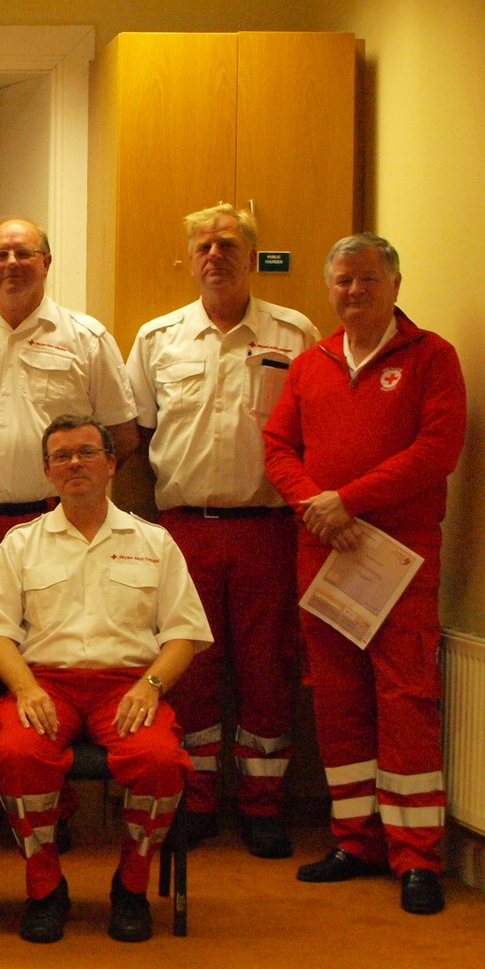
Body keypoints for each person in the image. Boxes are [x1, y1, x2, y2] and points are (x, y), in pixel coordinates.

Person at [264, 233, 466, 916]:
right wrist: (316, 508)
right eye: (344, 281)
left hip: (400, 555)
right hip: (325, 550)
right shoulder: (311, 363)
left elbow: (437, 450)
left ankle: (417, 856)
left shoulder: (432, 357)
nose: (355, 292)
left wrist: (349, 500)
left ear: (396, 284)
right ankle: (355, 840)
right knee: (337, 697)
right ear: (330, 290)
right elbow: (277, 446)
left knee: (406, 699)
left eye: (368, 280)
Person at [124, 204, 318, 858]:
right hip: (183, 530)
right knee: (193, 670)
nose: (215, 254)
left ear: (252, 254)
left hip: (267, 528)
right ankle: (198, 799)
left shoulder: (294, 335)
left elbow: (313, 434)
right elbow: (137, 440)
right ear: (188, 257)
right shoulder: (157, 340)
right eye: (203, 244)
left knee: (268, 668)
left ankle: (263, 805)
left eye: (228, 243)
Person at [0, 414, 211, 943]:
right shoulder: (20, 544)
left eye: (85, 453)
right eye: (61, 456)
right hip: (44, 684)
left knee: (160, 761)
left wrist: (150, 687)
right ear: (47, 473)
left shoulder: (155, 542)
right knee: (16, 754)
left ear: (111, 464)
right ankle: (44, 886)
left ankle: (131, 885)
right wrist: (26, 688)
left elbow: (184, 636)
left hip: (127, 685)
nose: (73, 463)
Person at [0, 217, 137, 722]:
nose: (12, 265)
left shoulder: (86, 339)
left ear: (46, 263)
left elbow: (122, 437)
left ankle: (38, 770)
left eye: (24, 254)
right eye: (0, 255)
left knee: (50, 644)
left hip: (58, 524)